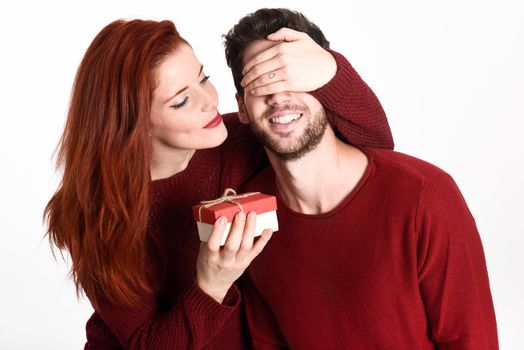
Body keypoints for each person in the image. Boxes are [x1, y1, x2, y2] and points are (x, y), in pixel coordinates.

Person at [44, 17, 393, 350]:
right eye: (182, 100)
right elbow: (146, 343)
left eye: (203, 77)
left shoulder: (237, 140)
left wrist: (330, 70)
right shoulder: (92, 212)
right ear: (134, 127)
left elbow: (373, 147)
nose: (210, 100)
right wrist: (212, 283)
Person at [224, 8, 499, 349]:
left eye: (292, 78)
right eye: (260, 81)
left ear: (324, 83)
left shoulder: (424, 195)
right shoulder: (250, 218)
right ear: (241, 108)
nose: (279, 96)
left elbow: (472, 340)